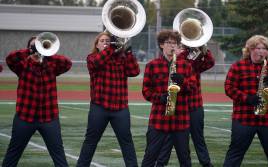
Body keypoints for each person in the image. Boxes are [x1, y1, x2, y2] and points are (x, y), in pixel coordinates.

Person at [2, 36, 72, 167]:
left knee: (59, 156)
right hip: (25, 117)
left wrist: (47, 53)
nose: (37, 49)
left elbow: (67, 63)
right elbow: (9, 59)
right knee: (13, 154)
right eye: (34, 46)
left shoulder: (51, 65)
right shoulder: (22, 66)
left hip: (49, 118)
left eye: (39, 45)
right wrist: (29, 51)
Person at [76, 32, 139, 167]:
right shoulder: (92, 57)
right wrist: (110, 47)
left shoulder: (121, 58)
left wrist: (129, 54)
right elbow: (98, 63)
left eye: (108, 40)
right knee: (90, 141)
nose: (105, 42)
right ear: (97, 45)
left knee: (126, 142)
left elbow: (134, 72)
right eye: (102, 41)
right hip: (99, 107)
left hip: (120, 108)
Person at [223, 35, 268, 167]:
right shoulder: (238, 67)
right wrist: (247, 98)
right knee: (235, 154)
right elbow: (229, 88)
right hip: (244, 119)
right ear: (250, 49)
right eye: (258, 48)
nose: (262, 51)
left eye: (265, 48)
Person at [141, 29, 197, 167]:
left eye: (175, 43)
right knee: (150, 156)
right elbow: (146, 91)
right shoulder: (152, 65)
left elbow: (193, 88)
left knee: (185, 159)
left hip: (180, 119)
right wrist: (160, 97)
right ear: (161, 45)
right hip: (159, 119)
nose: (172, 46)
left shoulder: (186, 66)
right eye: (169, 42)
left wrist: (182, 82)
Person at [156, 44, 215, 167]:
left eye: (182, 47)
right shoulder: (172, 61)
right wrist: (186, 50)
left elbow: (210, 62)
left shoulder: (193, 62)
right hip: (177, 106)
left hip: (194, 105)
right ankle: (161, 164)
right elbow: (178, 58)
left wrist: (204, 48)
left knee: (198, 138)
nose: (181, 50)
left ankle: (206, 163)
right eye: (180, 47)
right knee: (169, 139)